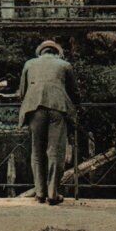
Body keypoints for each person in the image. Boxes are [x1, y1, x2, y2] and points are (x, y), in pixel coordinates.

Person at [18, 39, 81, 205]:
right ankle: (53, 193)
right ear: (56, 52)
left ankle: (40, 193)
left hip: (34, 108)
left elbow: (22, 92)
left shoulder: (29, 64)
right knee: (55, 151)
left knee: (37, 151)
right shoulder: (64, 65)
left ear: (41, 52)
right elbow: (74, 92)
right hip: (57, 108)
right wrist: (76, 107)